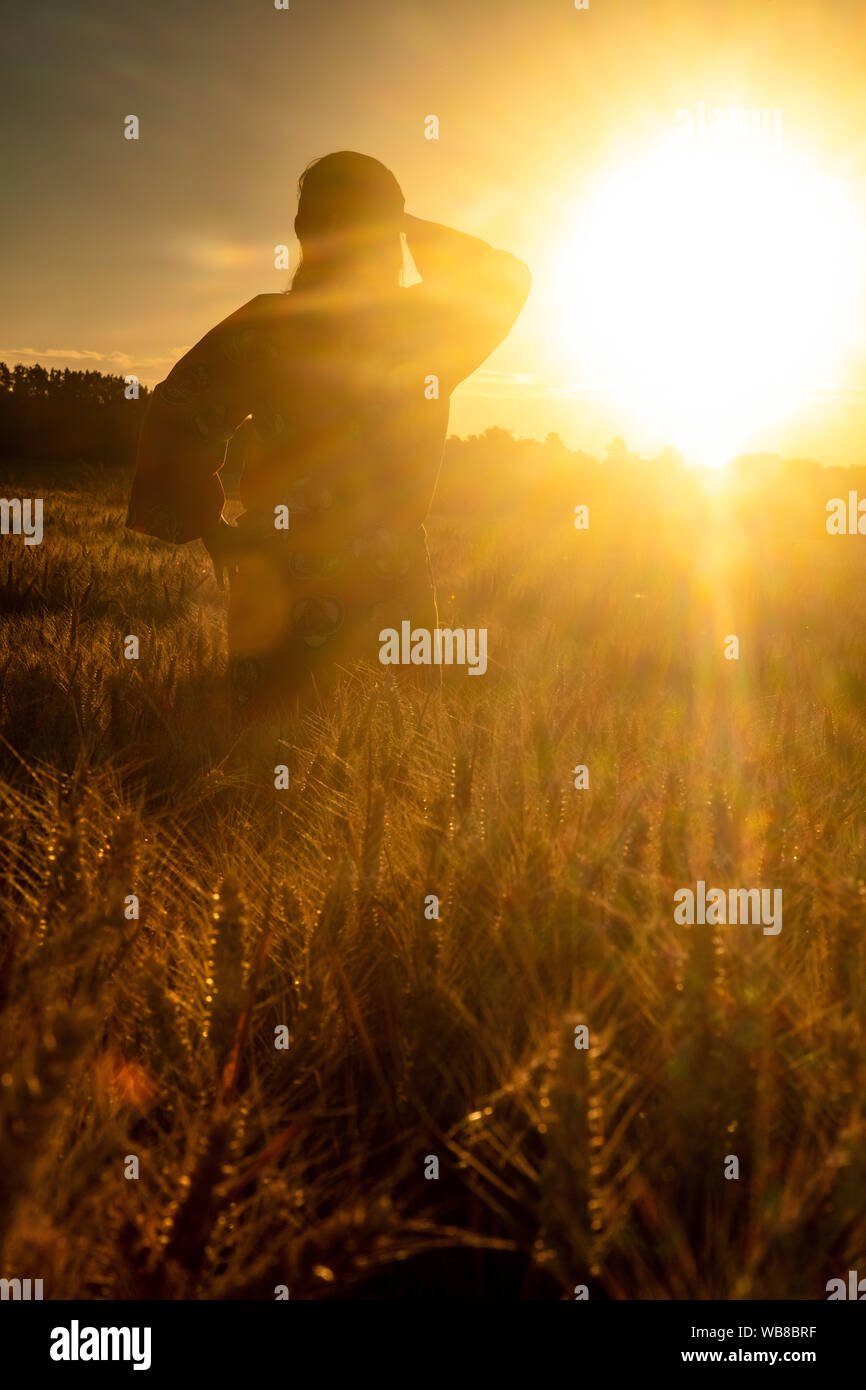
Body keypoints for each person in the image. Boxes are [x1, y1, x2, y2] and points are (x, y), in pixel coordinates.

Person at [126, 151, 531, 714]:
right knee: (392, 765)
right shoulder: (423, 328)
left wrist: (209, 524)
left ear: (302, 230)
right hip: (392, 582)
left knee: (256, 762)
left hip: (276, 578)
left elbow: (176, 409)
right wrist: (401, 221)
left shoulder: (267, 327)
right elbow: (504, 277)